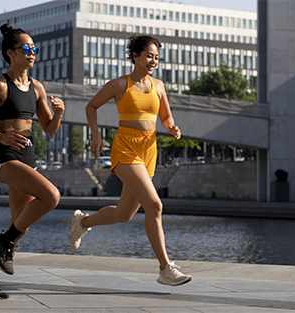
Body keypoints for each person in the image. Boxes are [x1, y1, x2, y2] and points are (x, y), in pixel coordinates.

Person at [69, 35, 192, 286]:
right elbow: (91, 106)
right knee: (155, 206)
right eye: (149, 55)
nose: (153, 61)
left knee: (124, 214)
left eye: (156, 57)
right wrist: (95, 135)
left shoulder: (158, 86)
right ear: (135, 56)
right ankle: (165, 268)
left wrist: (172, 127)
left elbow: (166, 117)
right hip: (126, 148)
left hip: (149, 150)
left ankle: (82, 222)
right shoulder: (118, 85)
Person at [0, 24, 64, 299]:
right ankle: (3, 241)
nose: (32, 53)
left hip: (28, 154)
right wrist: (0, 136)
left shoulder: (37, 87)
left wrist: (58, 114)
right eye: (26, 49)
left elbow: (49, 128)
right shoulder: (0, 85)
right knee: (52, 196)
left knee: (21, 224)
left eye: (34, 49)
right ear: (11, 53)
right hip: (5, 155)